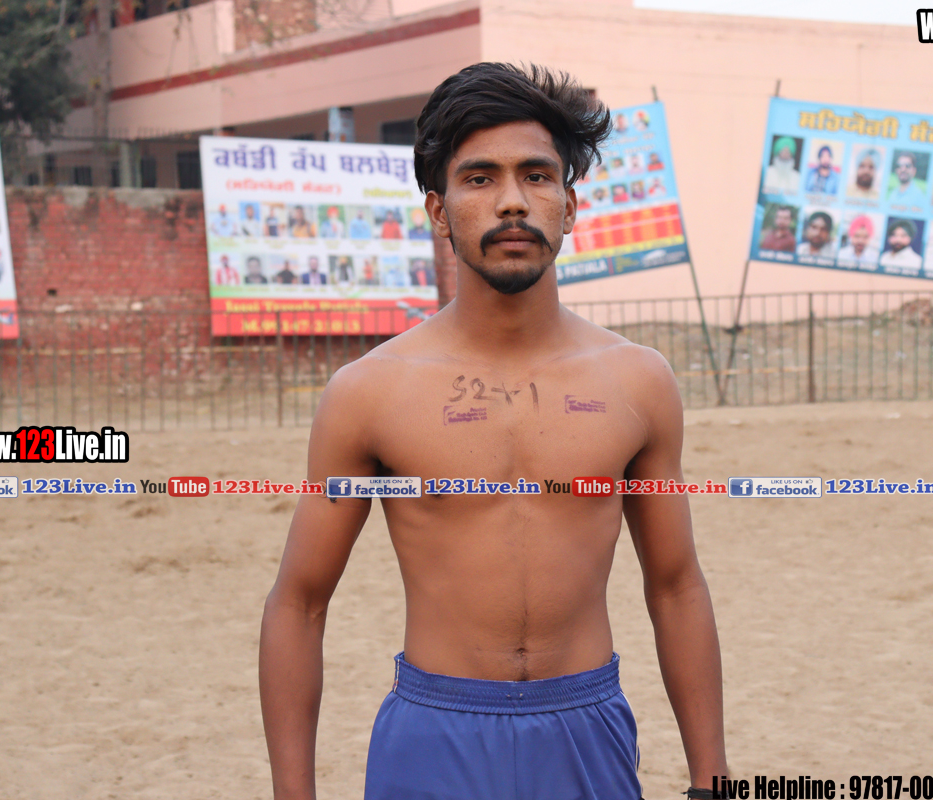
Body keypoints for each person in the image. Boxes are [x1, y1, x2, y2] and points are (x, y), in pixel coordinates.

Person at [259, 62, 729, 800]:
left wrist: (712, 778)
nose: (513, 201)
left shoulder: (637, 382)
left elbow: (675, 587)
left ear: (569, 205)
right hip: (432, 737)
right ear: (439, 211)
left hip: (585, 732)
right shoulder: (368, 393)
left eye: (536, 175)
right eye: (479, 178)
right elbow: (299, 602)